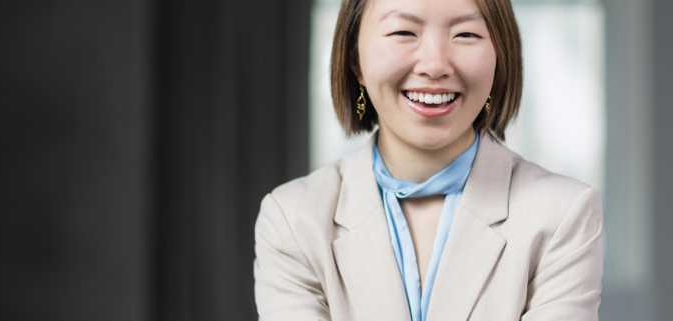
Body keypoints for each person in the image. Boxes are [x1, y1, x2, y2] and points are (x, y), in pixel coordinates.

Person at [253, 0, 603, 319]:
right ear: (355, 59)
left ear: (500, 56)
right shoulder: (293, 219)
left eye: (466, 33)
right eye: (403, 32)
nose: (435, 65)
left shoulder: (562, 212)